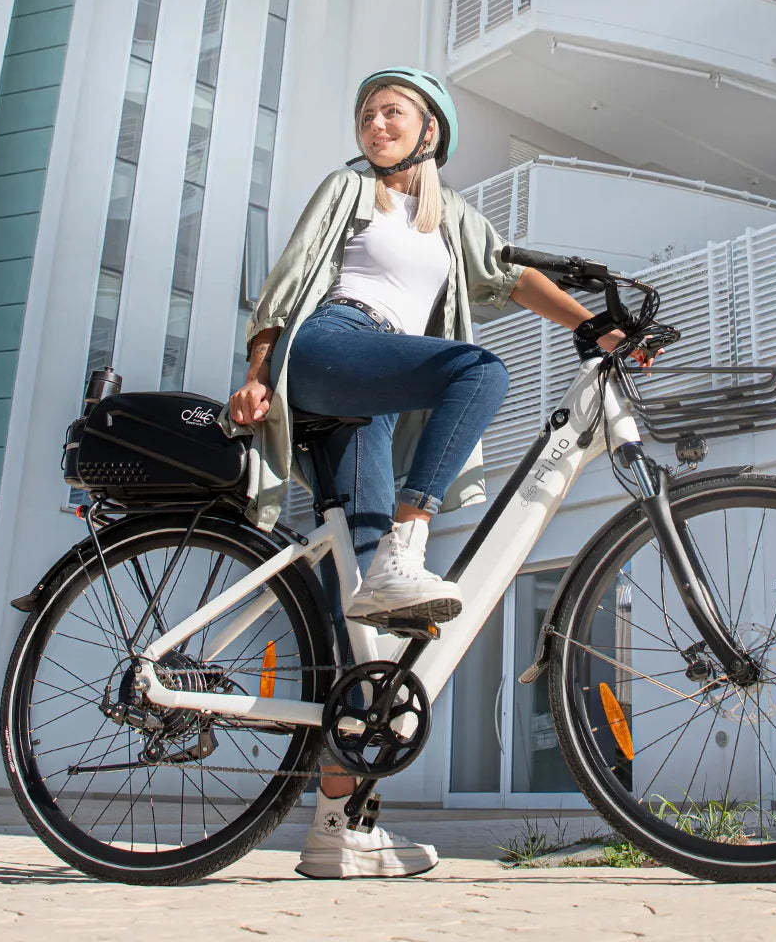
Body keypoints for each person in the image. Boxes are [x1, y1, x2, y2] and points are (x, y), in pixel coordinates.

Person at [226, 66, 655, 879]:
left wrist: (597, 328)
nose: (375, 124)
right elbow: (285, 284)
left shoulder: (451, 218)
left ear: (431, 132)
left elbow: (513, 277)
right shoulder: (349, 191)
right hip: (330, 347)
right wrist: (256, 374)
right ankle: (408, 541)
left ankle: (336, 830)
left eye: (392, 112)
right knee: (479, 371)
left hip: (374, 402)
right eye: (367, 114)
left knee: (370, 631)